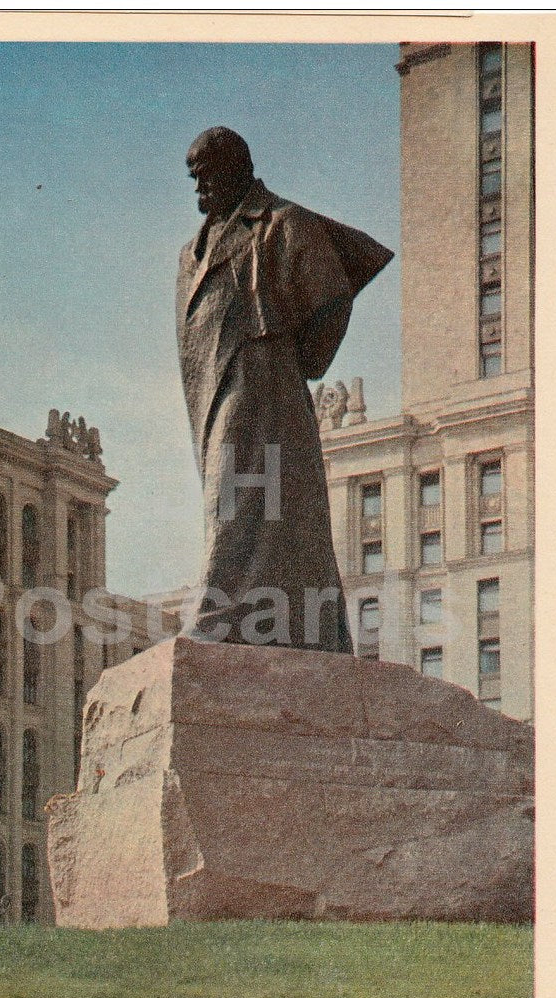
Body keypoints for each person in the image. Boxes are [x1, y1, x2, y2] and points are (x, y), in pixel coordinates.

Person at [176, 127, 392, 652]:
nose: (199, 187)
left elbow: (331, 298)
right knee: (246, 496)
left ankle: (221, 612)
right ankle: (275, 619)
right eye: (194, 178)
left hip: (264, 383)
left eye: (207, 175)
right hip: (215, 385)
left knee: (244, 489)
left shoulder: (282, 222)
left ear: (237, 168)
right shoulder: (191, 250)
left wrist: (302, 359)